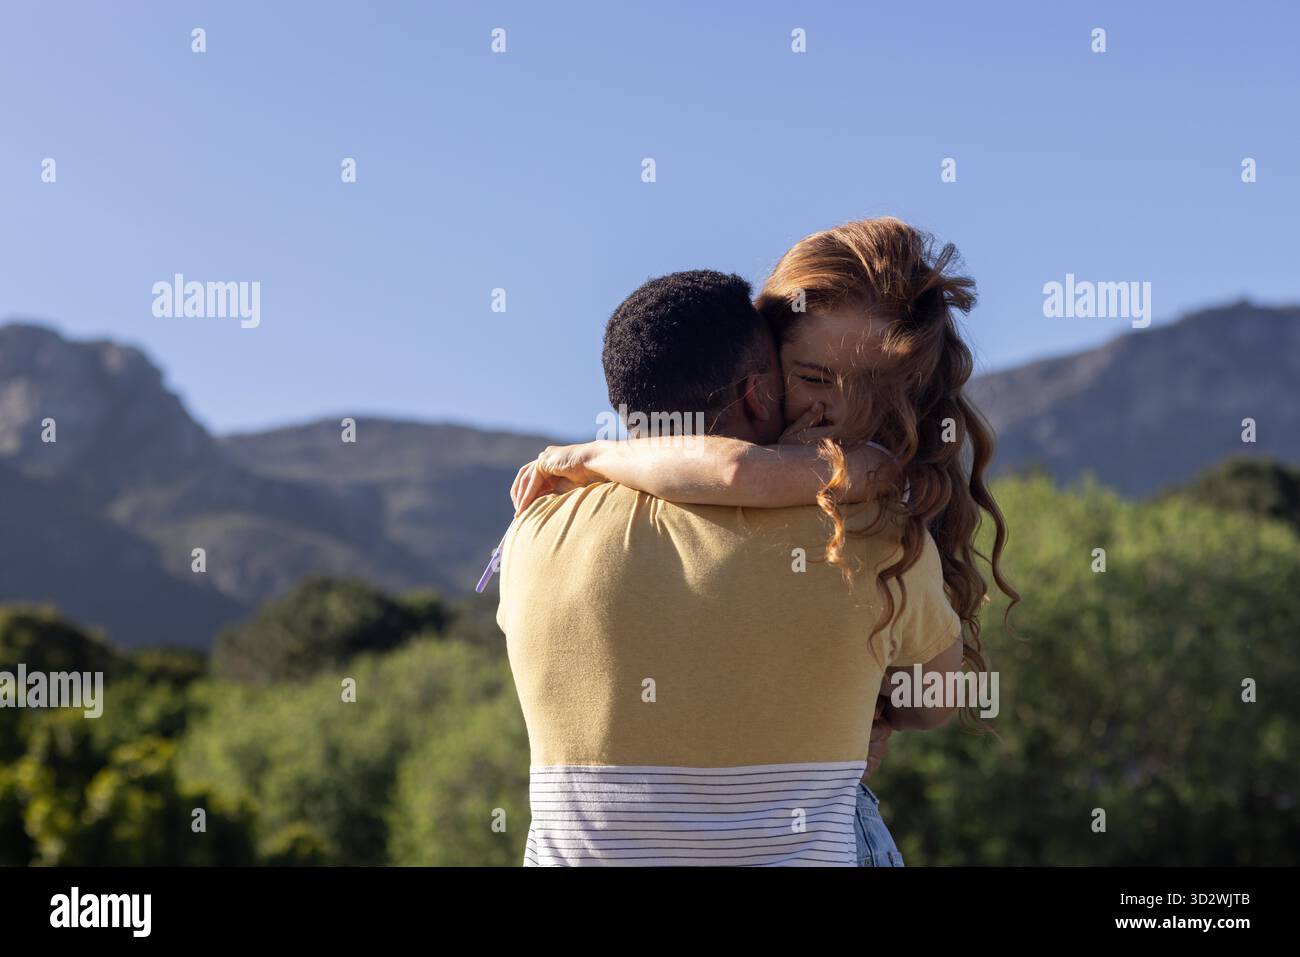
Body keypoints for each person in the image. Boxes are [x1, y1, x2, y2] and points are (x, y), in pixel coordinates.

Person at [499, 249, 989, 865]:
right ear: (762, 394)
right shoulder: (870, 530)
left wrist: (591, 457)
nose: (831, 409)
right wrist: (865, 711)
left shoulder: (532, 528)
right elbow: (931, 703)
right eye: (810, 378)